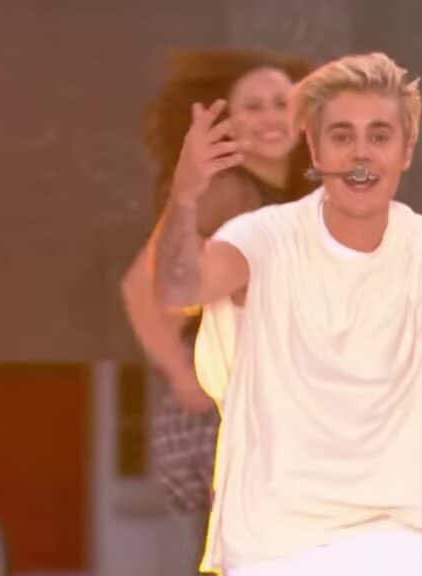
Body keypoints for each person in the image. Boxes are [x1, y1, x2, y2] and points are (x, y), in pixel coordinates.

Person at [147, 52, 422, 575]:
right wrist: (184, 195)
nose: (361, 152)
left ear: (406, 149)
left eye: (379, 135)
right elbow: (178, 286)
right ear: (315, 145)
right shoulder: (262, 234)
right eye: (342, 135)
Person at [120, 48, 314, 568]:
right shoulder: (227, 190)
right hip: (230, 412)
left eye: (282, 103)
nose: (271, 117)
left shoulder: (290, 193)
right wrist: (184, 377)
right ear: (229, 122)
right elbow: (141, 285)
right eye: (254, 106)